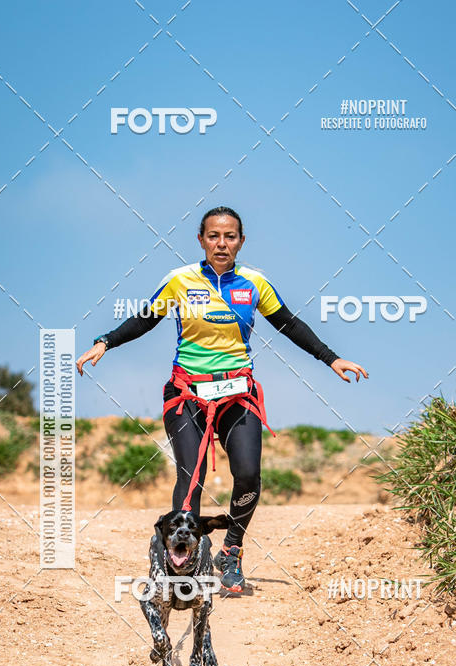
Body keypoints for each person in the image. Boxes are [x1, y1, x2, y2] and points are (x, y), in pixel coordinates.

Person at [76, 206, 368, 593]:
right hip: (186, 393)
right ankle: (187, 562)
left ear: (241, 242)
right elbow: (146, 318)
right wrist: (106, 341)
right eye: (213, 236)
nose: (221, 243)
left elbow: (289, 324)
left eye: (230, 236)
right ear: (201, 240)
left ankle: (230, 551)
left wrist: (331, 358)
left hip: (238, 393)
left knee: (248, 474)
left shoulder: (254, 282)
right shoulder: (180, 281)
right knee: (191, 476)